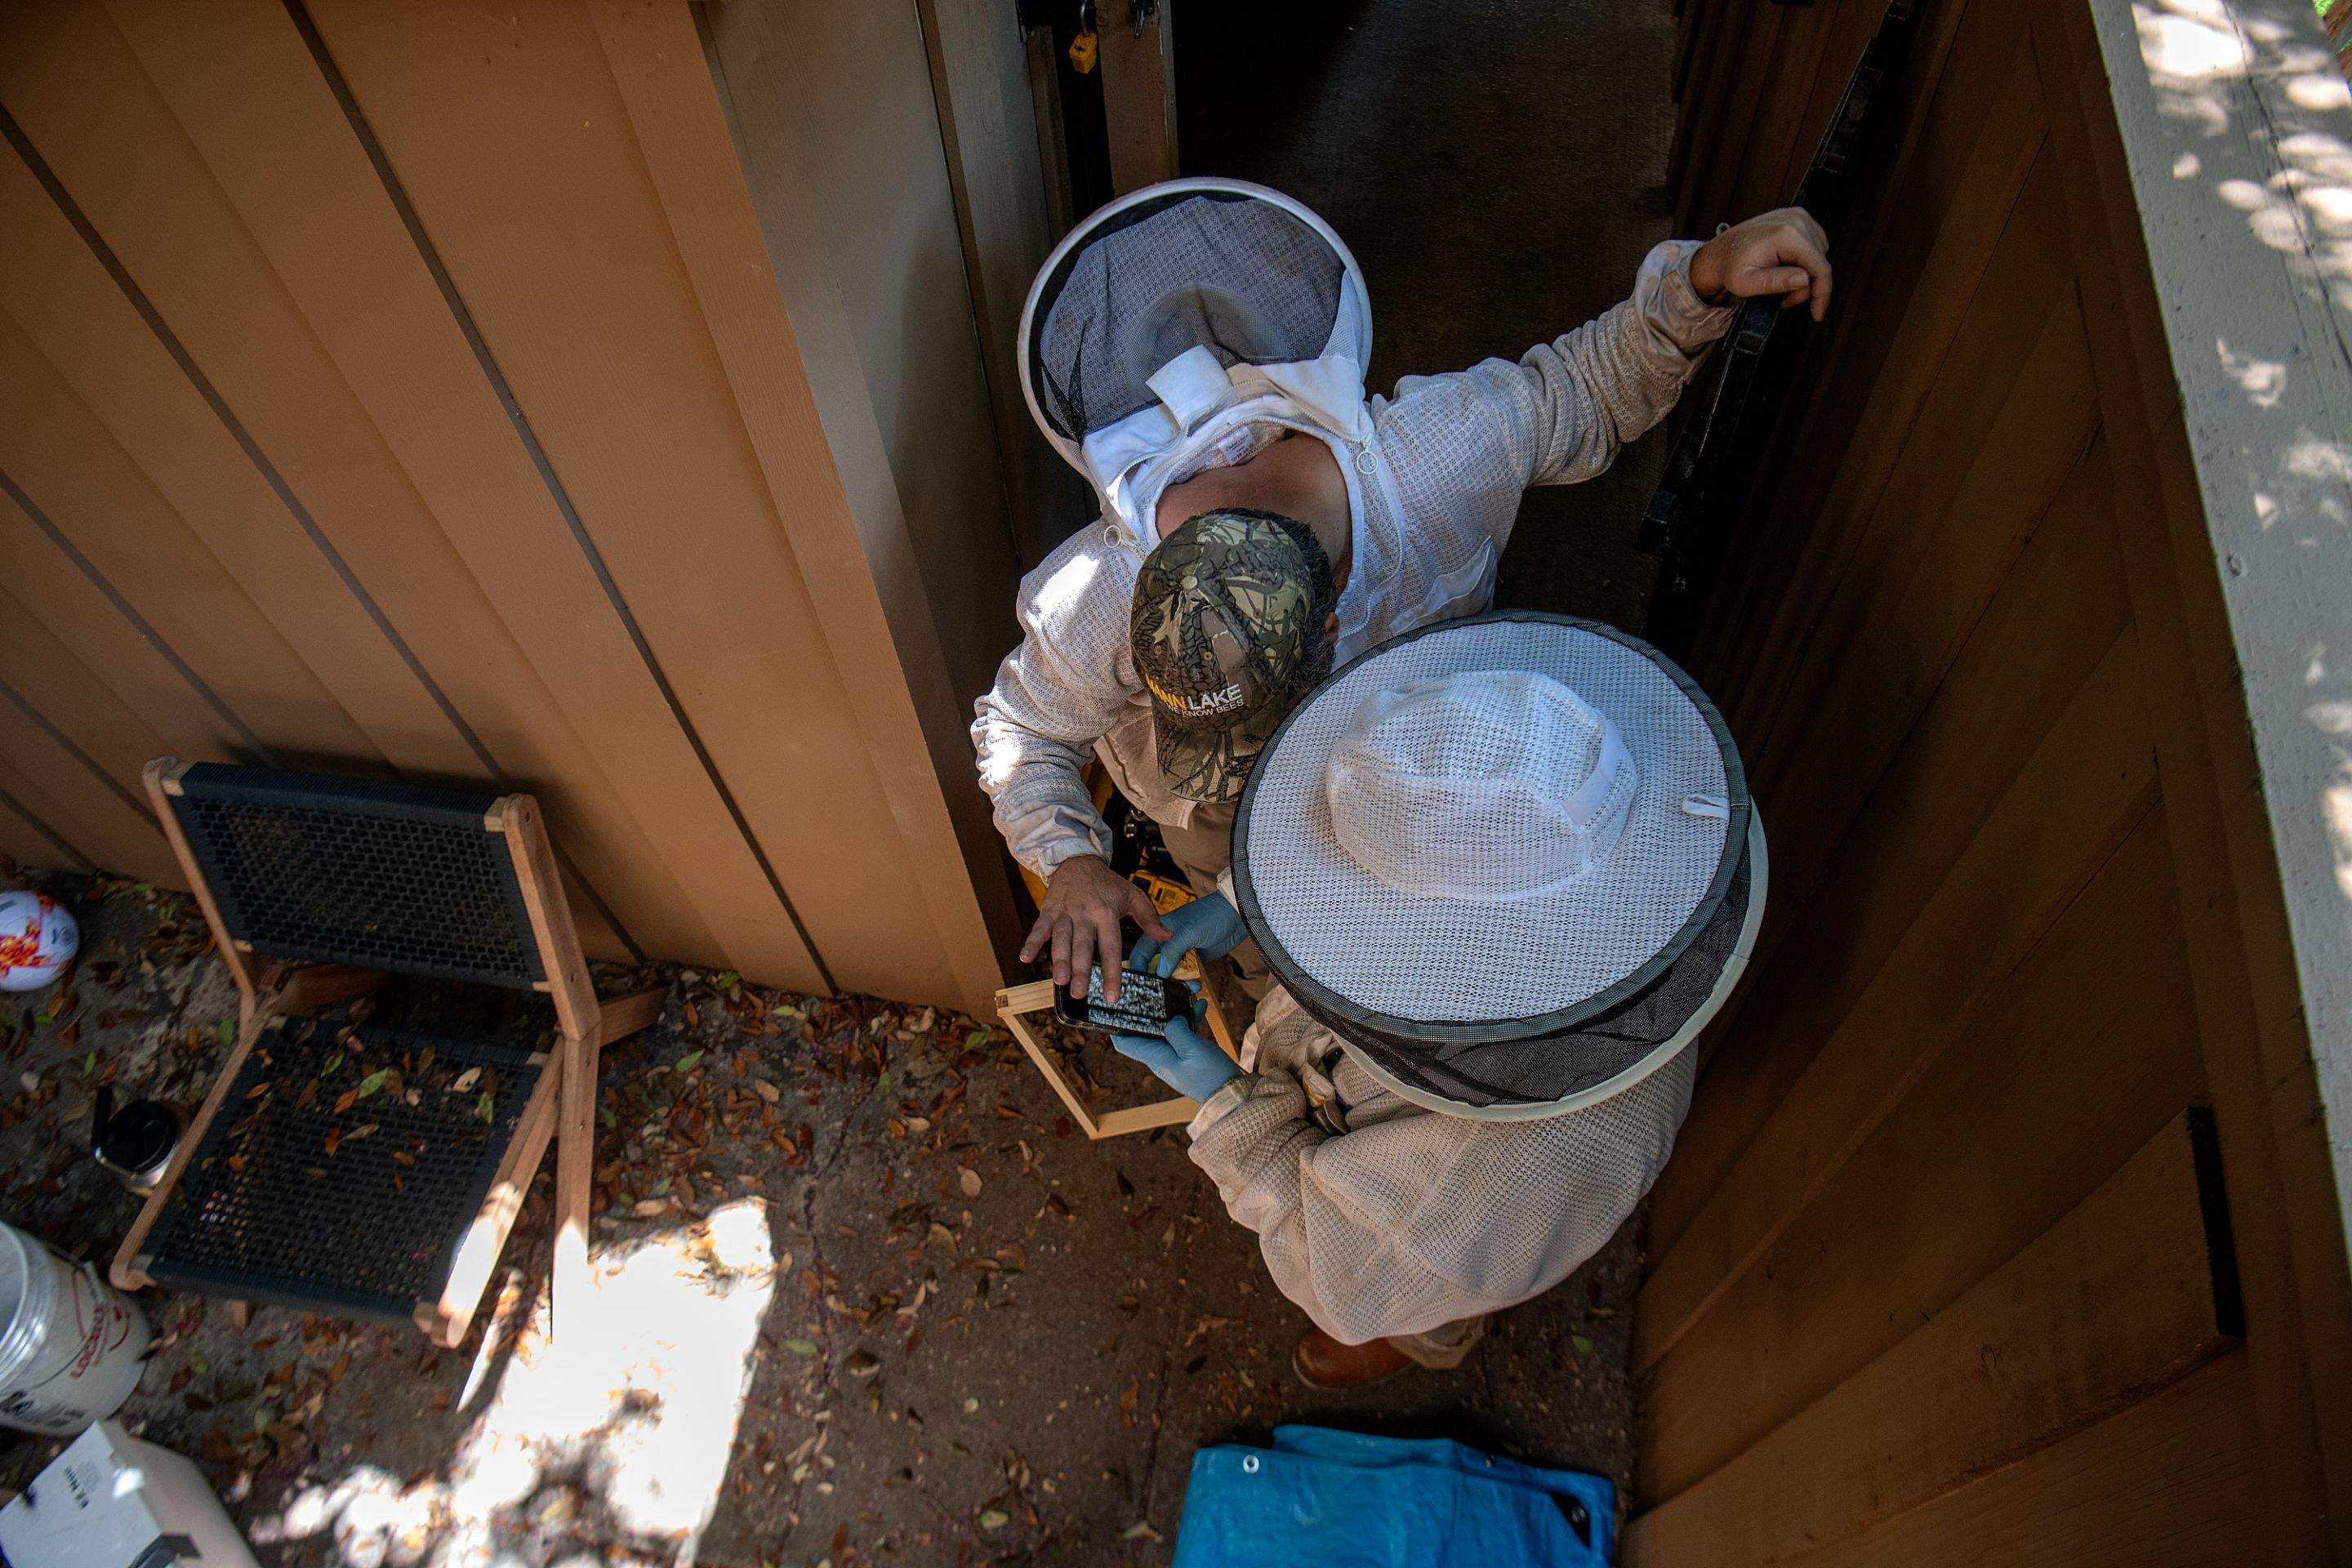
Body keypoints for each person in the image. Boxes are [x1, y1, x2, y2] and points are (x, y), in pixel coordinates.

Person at [971, 178, 1827, 1001]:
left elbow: (1585, 388)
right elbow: (1021, 727)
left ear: (1335, 621)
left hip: (1448, 756)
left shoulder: (1445, 452)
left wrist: (1706, 278)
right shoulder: (1096, 594)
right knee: (1275, 957)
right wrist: (1073, 859)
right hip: (1219, 824)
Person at [1117, 611, 1767, 1386]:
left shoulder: (1492, 1174)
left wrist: (1231, 1105)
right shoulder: (1571, 827)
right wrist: (1244, 898)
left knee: (1429, 1294)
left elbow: (1342, 1267)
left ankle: (1429, 1339)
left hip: (1463, 1225)